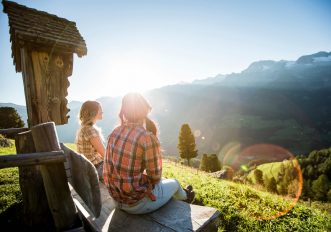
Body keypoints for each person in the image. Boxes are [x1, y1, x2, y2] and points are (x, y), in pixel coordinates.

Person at [103, 93, 195, 214]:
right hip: (137, 204)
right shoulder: (146, 137)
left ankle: (182, 194)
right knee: (175, 183)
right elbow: (155, 177)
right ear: (145, 111)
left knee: (165, 182)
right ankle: (187, 198)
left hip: (116, 199)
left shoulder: (114, 132)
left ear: (124, 111)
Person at [76, 100, 105, 181]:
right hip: (96, 168)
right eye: (100, 109)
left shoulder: (84, 128)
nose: (102, 111)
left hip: (88, 166)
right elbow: (104, 154)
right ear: (93, 112)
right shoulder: (90, 130)